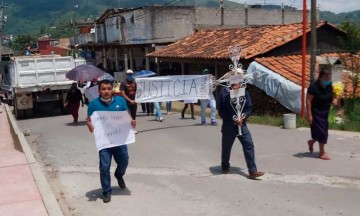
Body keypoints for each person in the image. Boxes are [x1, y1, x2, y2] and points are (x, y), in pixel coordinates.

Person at [86, 80, 136, 203]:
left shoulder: (121, 101)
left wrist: (132, 122)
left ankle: (119, 175)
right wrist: (90, 125)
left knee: (124, 161)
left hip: (119, 140)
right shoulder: (93, 105)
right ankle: (107, 192)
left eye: (109, 88)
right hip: (104, 143)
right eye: (103, 89)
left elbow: (127, 116)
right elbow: (88, 120)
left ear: (112, 90)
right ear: (99, 91)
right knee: (104, 167)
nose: (106, 91)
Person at [218, 75, 264, 179]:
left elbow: (248, 107)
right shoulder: (224, 93)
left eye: (237, 82)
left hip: (242, 124)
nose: (235, 84)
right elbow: (221, 111)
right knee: (226, 147)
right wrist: (233, 118)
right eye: (233, 82)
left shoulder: (244, 92)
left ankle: (252, 171)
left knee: (249, 144)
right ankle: (225, 166)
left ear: (240, 82)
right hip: (229, 125)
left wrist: (243, 117)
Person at [306, 69, 335, 160]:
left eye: (329, 78)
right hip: (316, 112)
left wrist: (335, 100)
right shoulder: (313, 87)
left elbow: (333, 96)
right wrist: (309, 115)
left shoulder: (330, 86)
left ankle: (311, 142)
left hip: (326, 112)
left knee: (321, 131)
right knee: (323, 133)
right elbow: (308, 101)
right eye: (327, 78)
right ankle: (322, 153)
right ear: (321, 77)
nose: (328, 80)